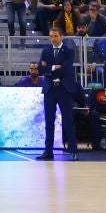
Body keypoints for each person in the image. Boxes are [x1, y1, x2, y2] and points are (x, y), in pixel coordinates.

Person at [36, 29, 83, 160]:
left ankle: (73, 151)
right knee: (49, 121)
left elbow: (65, 69)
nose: (53, 39)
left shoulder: (69, 51)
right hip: (49, 89)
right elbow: (40, 68)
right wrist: (53, 67)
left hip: (64, 89)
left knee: (68, 120)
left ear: (62, 37)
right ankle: (48, 151)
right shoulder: (46, 50)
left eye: (56, 36)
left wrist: (49, 69)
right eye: (51, 36)